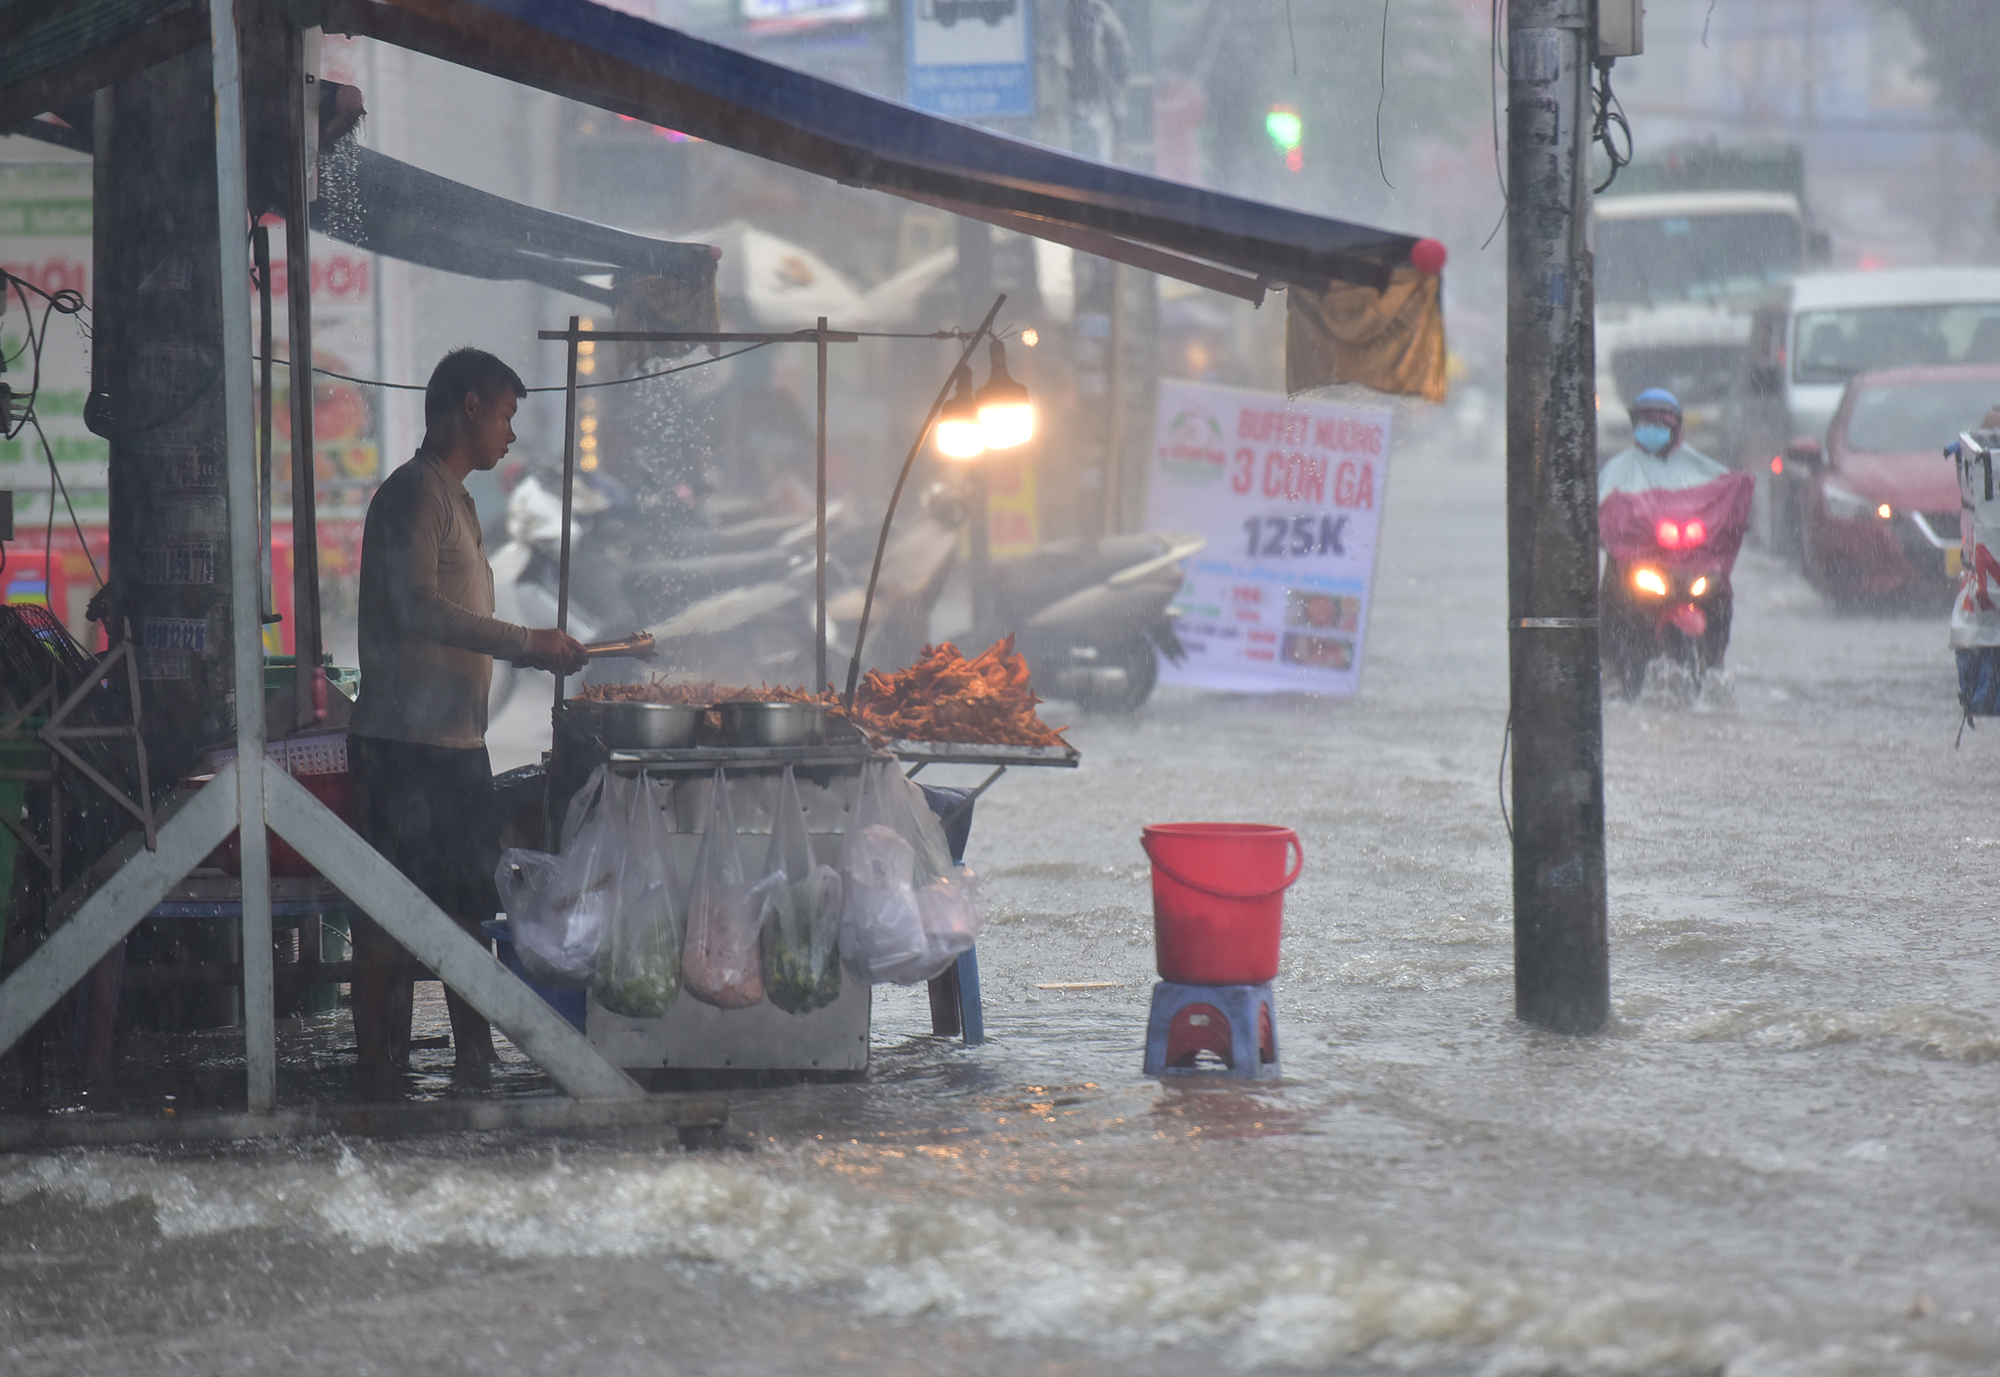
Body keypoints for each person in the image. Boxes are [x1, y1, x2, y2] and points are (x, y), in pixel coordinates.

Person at [348, 348, 588, 1086]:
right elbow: (415, 605)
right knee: (389, 918)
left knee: (461, 911)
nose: (511, 435)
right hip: (404, 747)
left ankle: (475, 1062)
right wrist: (527, 643)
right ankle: (379, 1075)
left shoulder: (458, 497)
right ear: (473, 405)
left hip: (453, 743)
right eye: (508, 416)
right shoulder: (414, 494)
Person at [1599, 388, 1735, 687]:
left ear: (1675, 426)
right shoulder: (1618, 470)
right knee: (1613, 590)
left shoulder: (1699, 469)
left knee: (1720, 592)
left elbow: (1723, 503)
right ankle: (1610, 663)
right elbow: (1603, 510)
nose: (1653, 429)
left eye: (1661, 423)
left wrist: (1732, 524)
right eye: (1647, 423)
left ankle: (1715, 657)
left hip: (1689, 561)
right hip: (1639, 560)